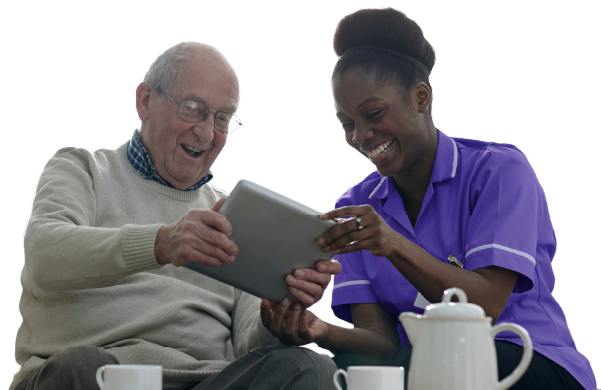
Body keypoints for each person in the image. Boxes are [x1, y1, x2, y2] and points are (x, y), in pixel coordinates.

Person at [260, 7, 597, 390]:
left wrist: (393, 244)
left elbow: (485, 307)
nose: (361, 136)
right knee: (350, 368)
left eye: (373, 113)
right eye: (349, 124)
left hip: (525, 362)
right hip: (425, 369)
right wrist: (320, 333)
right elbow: (381, 341)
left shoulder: (500, 171)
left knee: (434, 368)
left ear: (421, 97)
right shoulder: (357, 204)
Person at [12, 40, 341, 390]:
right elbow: (44, 255)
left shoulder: (237, 214)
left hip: (205, 383)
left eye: (222, 118)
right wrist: (160, 243)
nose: (206, 132)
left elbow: (249, 347)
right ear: (145, 101)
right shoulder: (81, 169)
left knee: (308, 366)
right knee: (81, 367)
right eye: (193, 108)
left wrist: (273, 321)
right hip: (95, 376)